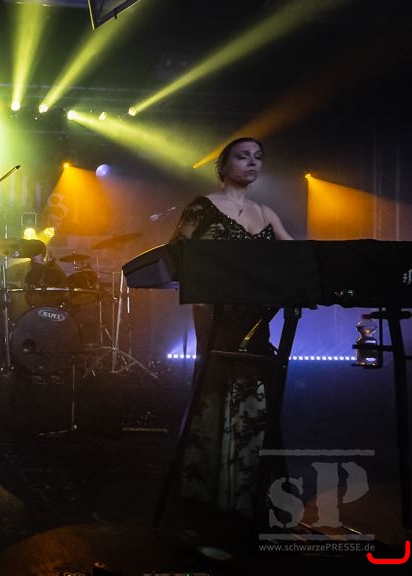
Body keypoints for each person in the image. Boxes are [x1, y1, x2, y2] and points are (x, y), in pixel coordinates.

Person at [168, 136, 294, 519]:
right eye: (242, 156)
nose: (252, 162)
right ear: (223, 166)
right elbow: (175, 255)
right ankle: (207, 490)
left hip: (256, 318)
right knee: (216, 385)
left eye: (258, 157)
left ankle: (246, 492)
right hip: (215, 313)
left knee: (254, 392)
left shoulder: (266, 213)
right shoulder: (202, 207)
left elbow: (298, 259)